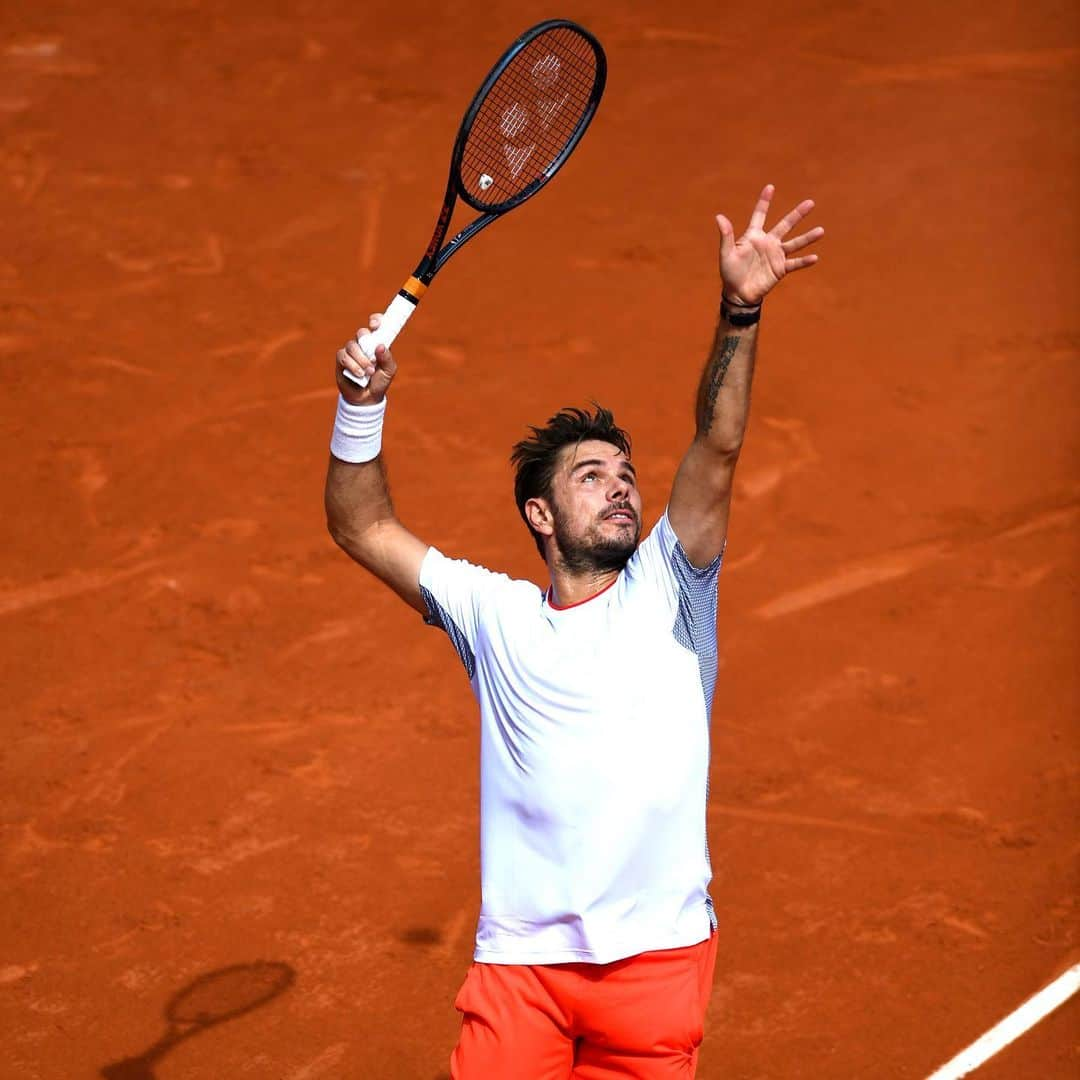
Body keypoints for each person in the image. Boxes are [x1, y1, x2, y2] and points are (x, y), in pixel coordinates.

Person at [324, 184, 823, 1079]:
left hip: (657, 965)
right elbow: (363, 527)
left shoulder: (674, 587)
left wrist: (740, 310)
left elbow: (716, 445)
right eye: (592, 475)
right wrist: (359, 408)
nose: (623, 485)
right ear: (541, 514)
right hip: (522, 969)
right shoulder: (495, 615)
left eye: (626, 473)